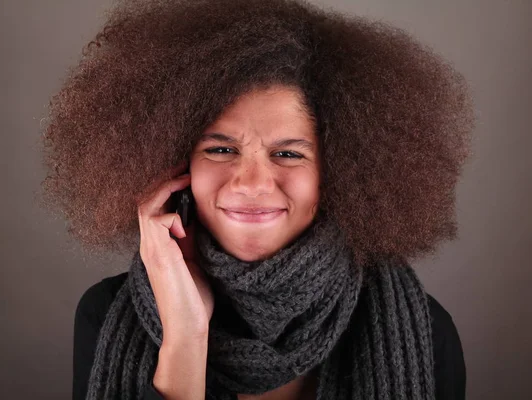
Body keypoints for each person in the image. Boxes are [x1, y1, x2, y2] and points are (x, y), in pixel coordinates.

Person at [38, 0, 474, 399]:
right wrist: (185, 336)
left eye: (288, 153)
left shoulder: (426, 331)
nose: (251, 183)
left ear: (339, 172)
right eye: (222, 149)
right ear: (173, 163)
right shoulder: (105, 314)